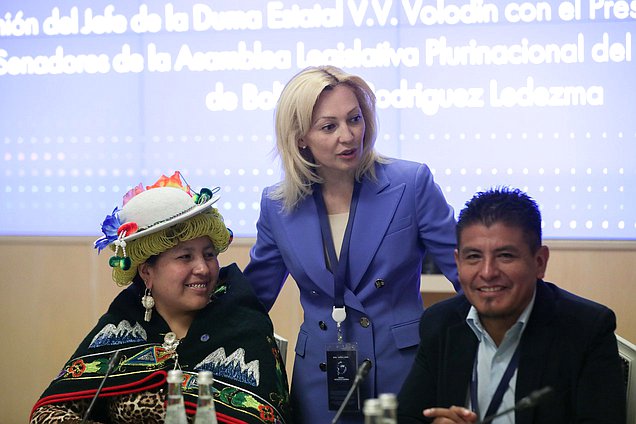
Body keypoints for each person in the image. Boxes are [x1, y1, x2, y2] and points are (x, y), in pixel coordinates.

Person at [243, 65, 459, 423]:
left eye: (354, 119)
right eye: (329, 126)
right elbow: (253, 299)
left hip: (402, 369)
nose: (348, 135)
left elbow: (466, 273)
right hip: (321, 378)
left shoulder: (411, 183)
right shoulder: (278, 205)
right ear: (300, 138)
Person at [30, 171, 291, 424]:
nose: (203, 268)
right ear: (147, 271)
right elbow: (49, 414)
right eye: (185, 256)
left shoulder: (244, 326)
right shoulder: (120, 327)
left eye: (209, 254)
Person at [397, 187, 626, 424]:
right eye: (473, 256)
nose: (487, 273)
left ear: (539, 262)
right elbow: (407, 417)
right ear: (458, 262)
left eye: (505, 255)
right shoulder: (440, 323)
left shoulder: (586, 330)